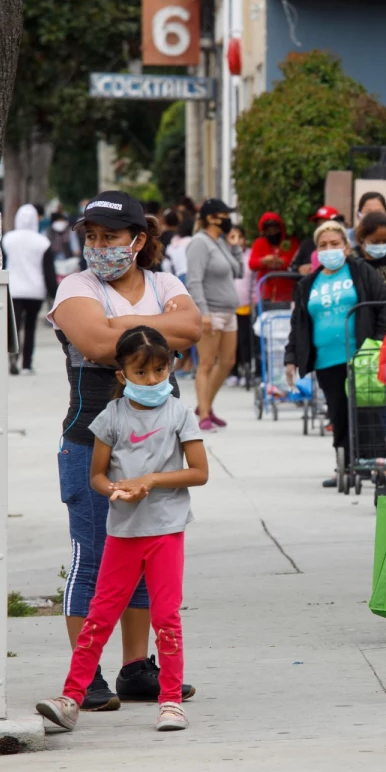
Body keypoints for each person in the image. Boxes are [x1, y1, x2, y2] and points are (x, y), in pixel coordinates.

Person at [47, 191, 202, 711]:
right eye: (90, 236)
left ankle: (136, 668)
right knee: (94, 558)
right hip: (91, 444)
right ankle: (84, 675)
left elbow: (193, 327)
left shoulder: (165, 282)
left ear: (138, 240)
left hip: (158, 456)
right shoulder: (77, 285)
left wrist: (121, 331)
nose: (97, 246)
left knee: (142, 557)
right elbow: (92, 343)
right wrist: (156, 332)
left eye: (109, 236)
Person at [35, 326, 208, 734]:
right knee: (99, 616)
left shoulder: (181, 414)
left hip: (166, 532)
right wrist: (114, 489)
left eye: (160, 370)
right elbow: (97, 475)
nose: (152, 380)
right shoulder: (109, 417)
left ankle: (170, 703)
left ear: (171, 367)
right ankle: (71, 699)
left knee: (167, 618)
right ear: (122, 375)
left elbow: (199, 472)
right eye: (141, 372)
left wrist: (149, 480)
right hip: (122, 534)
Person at [284, 220, 386, 488]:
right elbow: (299, 323)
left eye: (334, 244)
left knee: (367, 411)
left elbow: (384, 306)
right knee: (338, 413)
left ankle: (376, 463)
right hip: (326, 360)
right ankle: (344, 465)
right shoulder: (308, 283)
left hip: (362, 357)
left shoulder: (361, 271)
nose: (329, 249)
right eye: (323, 245)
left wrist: (377, 343)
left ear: (346, 248)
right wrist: (291, 358)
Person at [186, 199, 242, 430]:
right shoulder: (199, 243)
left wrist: (235, 245)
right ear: (211, 218)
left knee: (228, 361)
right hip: (212, 311)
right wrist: (203, 313)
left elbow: (238, 271)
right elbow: (194, 280)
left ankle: (206, 405)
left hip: (229, 312)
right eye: (224, 215)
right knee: (207, 363)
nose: (228, 219)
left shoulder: (219, 242)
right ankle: (204, 414)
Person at [4, 203, 58, 375]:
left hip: (13, 289)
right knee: (30, 327)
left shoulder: (7, 239)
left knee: (14, 327)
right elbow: (48, 272)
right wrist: (55, 295)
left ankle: (13, 356)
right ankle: (27, 364)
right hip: (35, 290)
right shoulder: (43, 242)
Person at [249, 211, 299, 306]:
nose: (272, 232)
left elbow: (294, 261)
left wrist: (281, 261)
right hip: (265, 294)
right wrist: (263, 261)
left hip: (287, 294)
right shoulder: (259, 242)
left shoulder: (291, 242)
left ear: (281, 228)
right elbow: (252, 263)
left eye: (275, 228)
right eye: (269, 230)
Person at [227, 224, 254, 383]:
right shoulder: (224, 256)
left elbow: (253, 279)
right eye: (232, 237)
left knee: (245, 340)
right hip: (228, 306)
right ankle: (233, 371)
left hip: (245, 305)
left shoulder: (250, 256)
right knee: (230, 341)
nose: (236, 240)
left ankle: (246, 369)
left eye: (239, 237)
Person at [293, 205, 341, 276]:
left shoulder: (342, 245)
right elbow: (291, 267)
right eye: (319, 225)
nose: (321, 229)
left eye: (325, 225)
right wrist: (299, 268)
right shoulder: (307, 244)